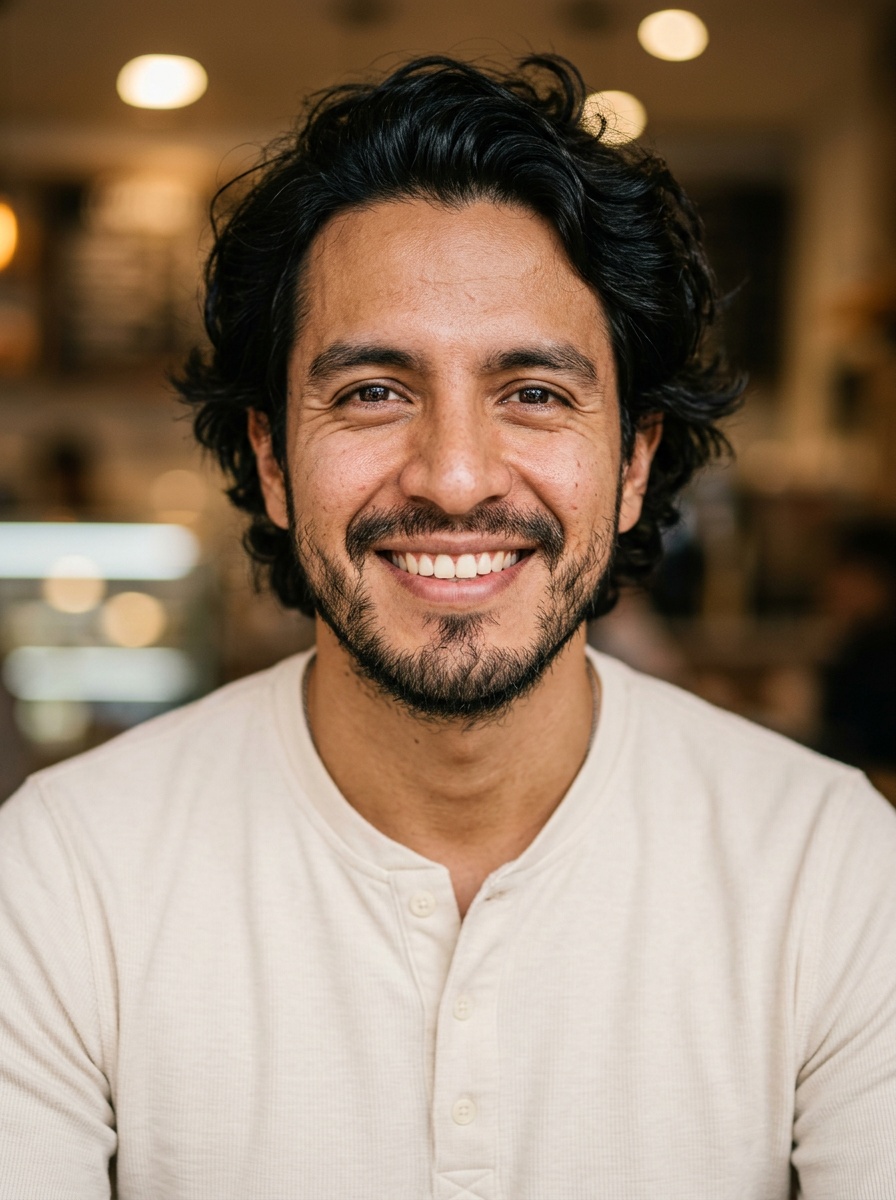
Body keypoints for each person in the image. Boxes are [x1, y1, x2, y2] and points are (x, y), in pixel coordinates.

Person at [1, 56, 894, 1200]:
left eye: (534, 393)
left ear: (632, 463)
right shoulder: (67, 873)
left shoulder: (827, 866)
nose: (456, 476)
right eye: (372, 392)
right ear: (271, 460)